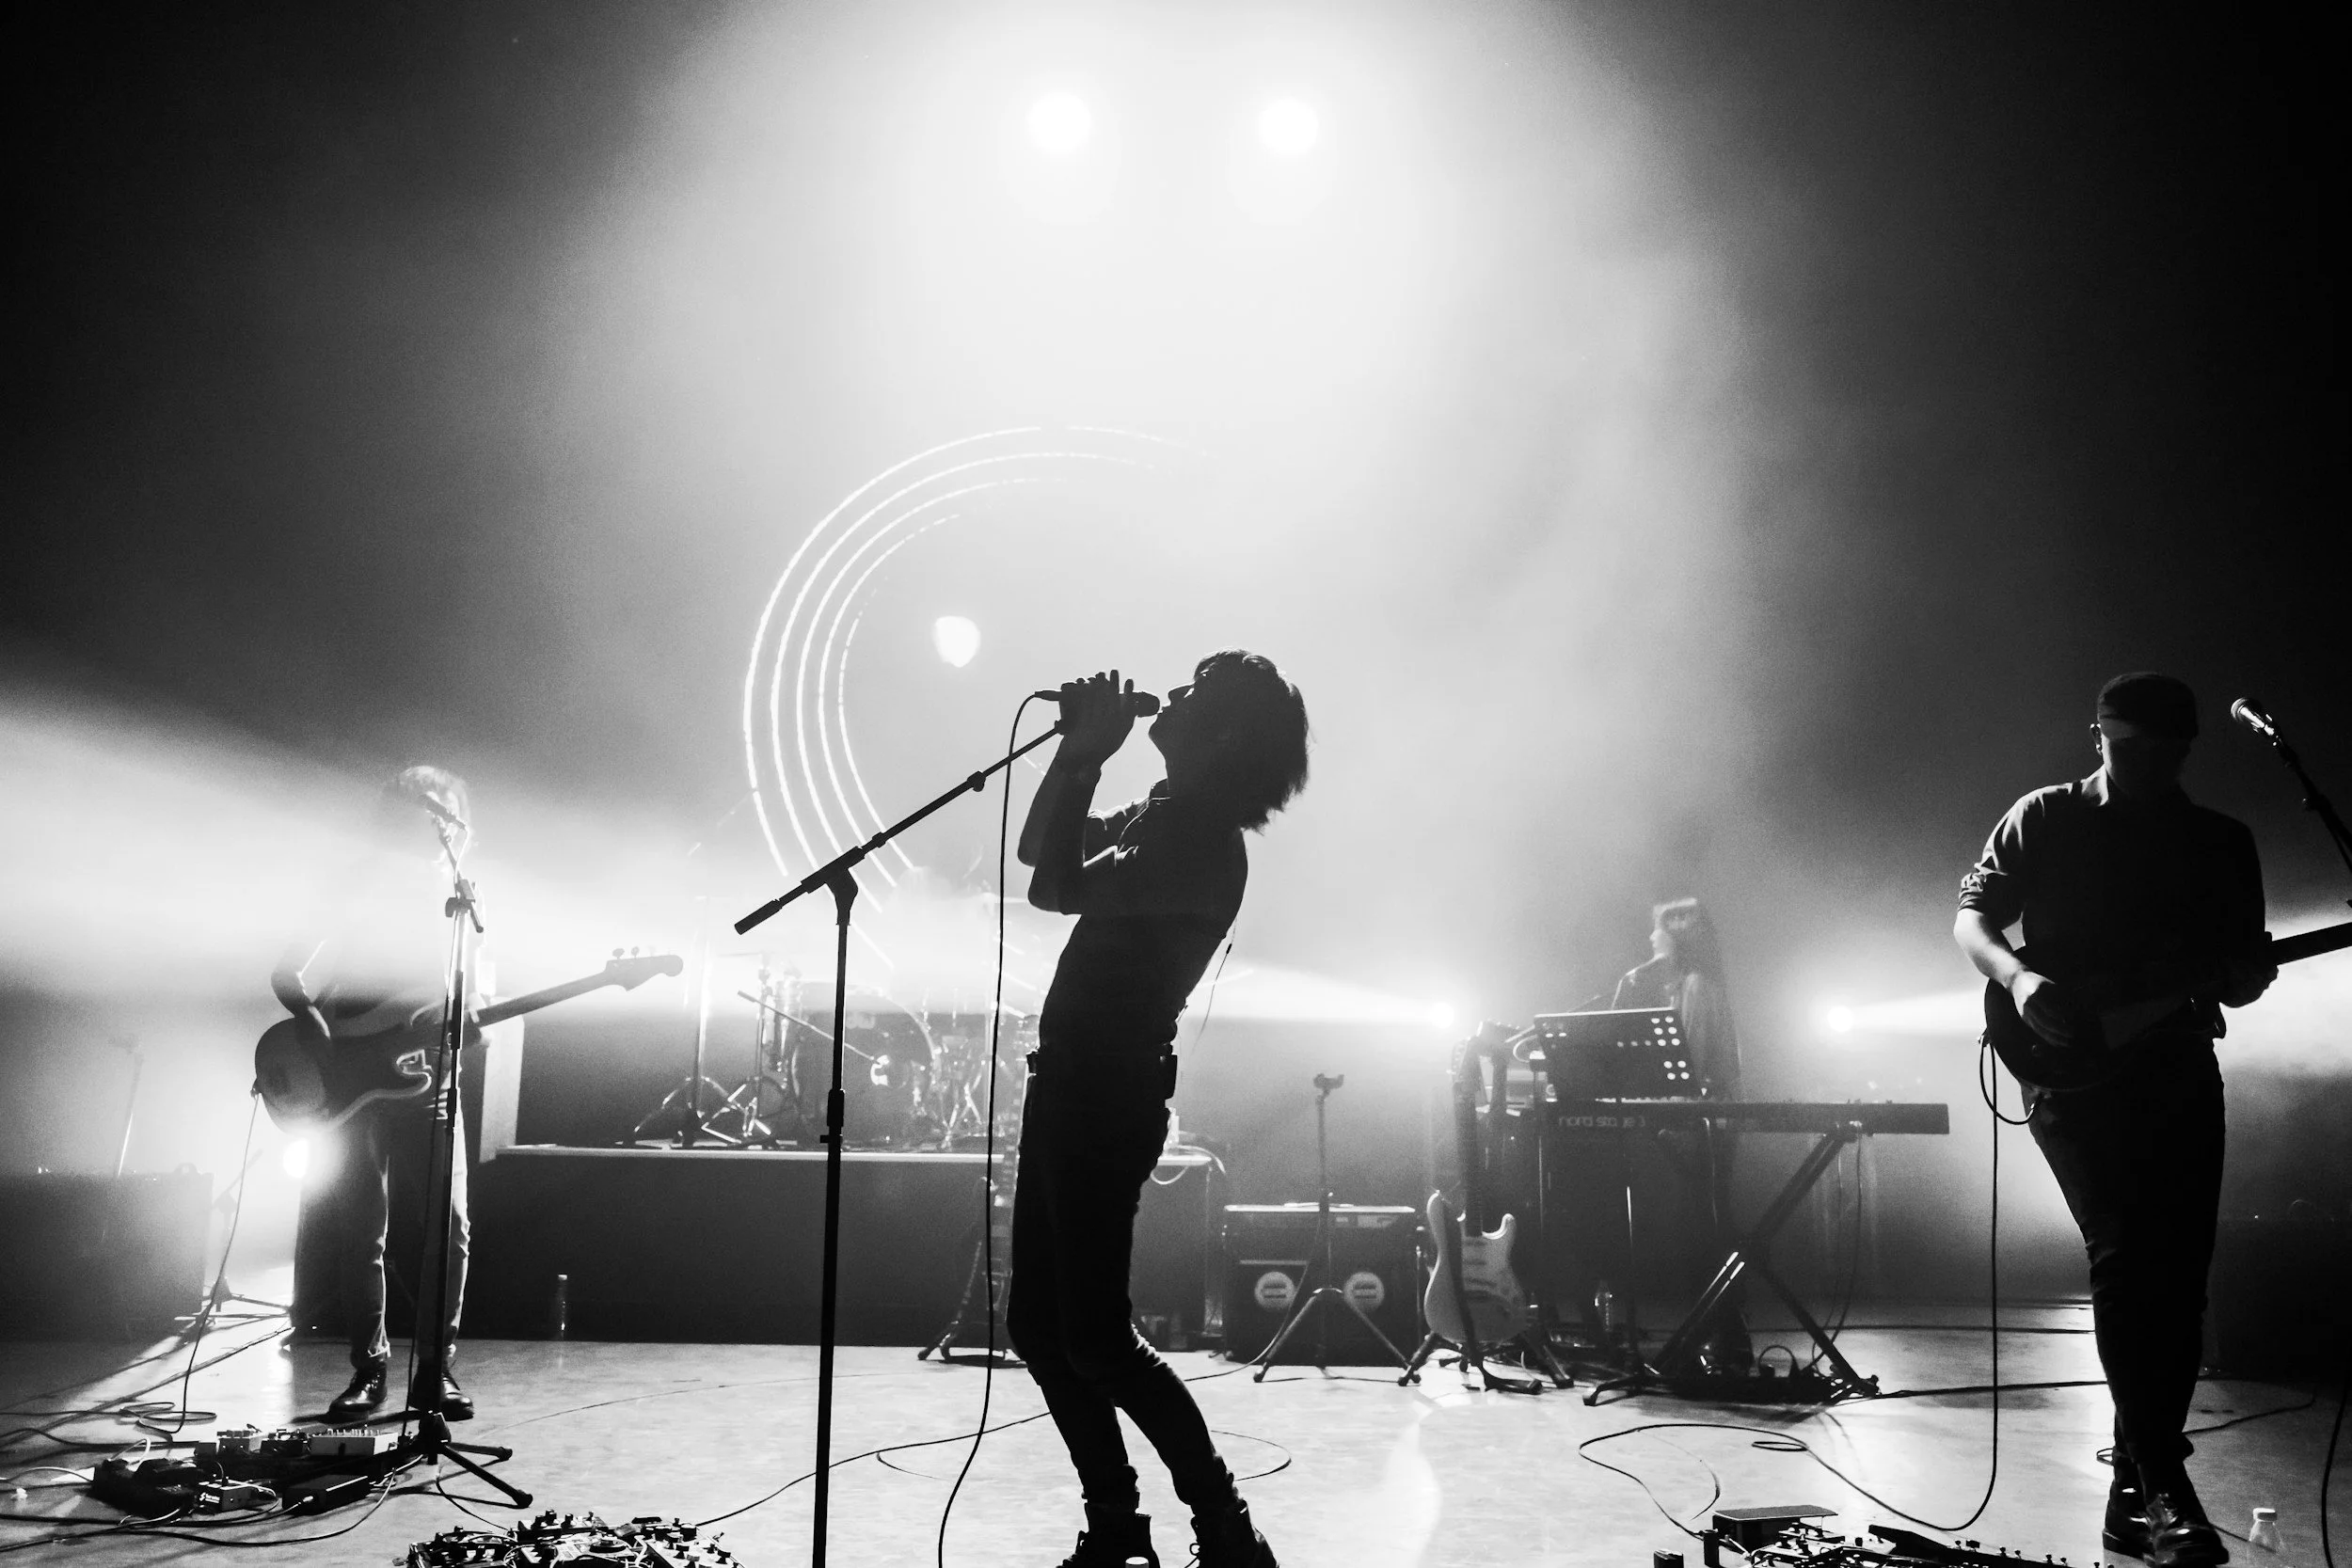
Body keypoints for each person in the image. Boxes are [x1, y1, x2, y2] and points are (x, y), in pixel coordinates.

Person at [1952, 673, 2273, 1567]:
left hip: (2174, 1064)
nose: (2148, 765)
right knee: (2127, 1255)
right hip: (2070, 1079)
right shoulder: (2046, 816)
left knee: (2180, 1273)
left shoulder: (2219, 842)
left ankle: (2131, 1495)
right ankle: (2166, 1486)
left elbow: (2242, 975)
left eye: (2166, 752)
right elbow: (1972, 915)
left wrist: (2241, 974)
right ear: (2098, 734)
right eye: (2130, 748)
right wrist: (2019, 979)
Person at [1009, 652, 1309, 1568]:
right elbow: (1039, 852)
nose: (1166, 697)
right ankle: (1117, 1521)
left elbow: (1054, 885)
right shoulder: (1169, 813)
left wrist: (1089, 754)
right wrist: (1076, 757)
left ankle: (1221, 1523)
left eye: (1189, 692)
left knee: (1093, 1334)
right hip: (1076, 1081)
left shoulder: (1195, 834)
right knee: (1040, 1325)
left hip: (1105, 1092)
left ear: (1220, 732)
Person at [273, 765, 483, 1423]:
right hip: (352, 1082)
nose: (436, 819)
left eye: (446, 810)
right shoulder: (354, 886)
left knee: (449, 1228)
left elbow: (475, 996)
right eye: (423, 808)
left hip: (428, 1078)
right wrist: (319, 1032)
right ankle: (369, 1369)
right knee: (362, 1229)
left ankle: (435, 1370)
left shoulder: (461, 892)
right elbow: (288, 970)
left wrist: (467, 1021)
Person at [1608, 897, 1750, 1370]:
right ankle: (1721, 1338)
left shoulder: (1696, 987)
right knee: (1704, 1230)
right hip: (1701, 1123)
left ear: (1676, 939)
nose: (1650, 938)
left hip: (1706, 1124)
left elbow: (1696, 1069)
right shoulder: (1688, 985)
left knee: (1703, 1232)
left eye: (1658, 931)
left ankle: (1722, 1338)